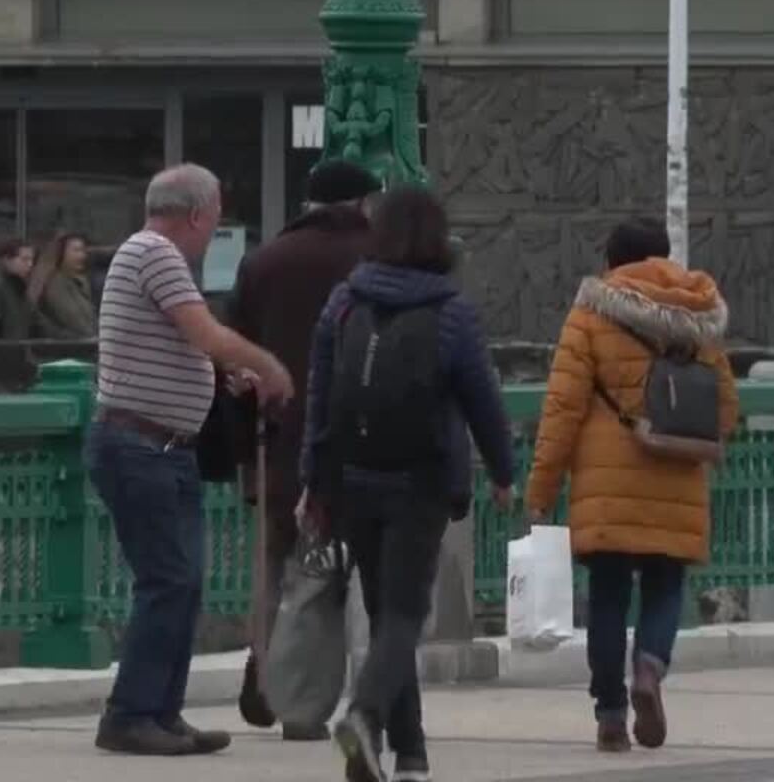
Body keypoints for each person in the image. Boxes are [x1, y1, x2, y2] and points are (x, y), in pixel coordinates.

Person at [302, 185, 515, 782]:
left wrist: (313, 479)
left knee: (384, 609)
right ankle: (367, 717)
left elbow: (319, 396)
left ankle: (411, 756)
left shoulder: (344, 302)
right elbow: (483, 401)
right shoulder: (451, 312)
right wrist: (503, 473)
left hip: (351, 478)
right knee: (404, 616)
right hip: (419, 483)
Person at [89, 163, 294, 757]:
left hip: (166, 446)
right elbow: (205, 332)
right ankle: (131, 713)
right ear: (200, 214)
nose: (215, 230)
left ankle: (161, 711)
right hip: (140, 445)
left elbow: (180, 343)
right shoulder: (155, 252)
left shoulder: (151, 257)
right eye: (217, 217)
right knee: (168, 580)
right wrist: (270, 367)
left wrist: (219, 377)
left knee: (182, 583)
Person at [523, 217, 739, 753]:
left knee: (609, 597)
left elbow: (563, 408)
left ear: (611, 262)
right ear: (667, 258)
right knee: (666, 585)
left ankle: (611, 715)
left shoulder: (591, 313)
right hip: (677, 472)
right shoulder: (698, 313)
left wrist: (542, 489)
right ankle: (649, 668)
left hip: (605, 479)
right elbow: (727, 407)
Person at [226, 159, 381, 740]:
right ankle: (369, 704)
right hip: (366, 440)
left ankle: (277, 676)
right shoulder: (380, 257)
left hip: (281, 438)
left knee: (284, 565)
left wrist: (242, 444)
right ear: (364, 202)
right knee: (368, 575)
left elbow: (234, 352)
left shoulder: (264, 260)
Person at [29, 231, 98, 340]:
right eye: (76, 250)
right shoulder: (54, 283)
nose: (81, 255)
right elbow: (72, 318)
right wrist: (90, 338)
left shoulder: (80, 282)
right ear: (61, 253)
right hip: (68, 347)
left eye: (83, 251)